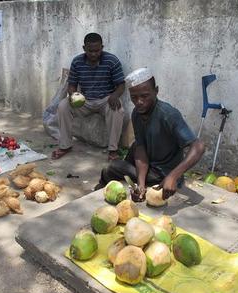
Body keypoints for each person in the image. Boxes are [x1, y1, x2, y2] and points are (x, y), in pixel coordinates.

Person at [96, 67, 205, 202]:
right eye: (134, 97)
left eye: (144, 96)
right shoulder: (137, 113)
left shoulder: (168, 114)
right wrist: (141, 185)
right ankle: (111, 188)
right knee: (135, 147)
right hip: (147, 166)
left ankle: (103, 186)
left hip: (161, 174)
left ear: (156, 91)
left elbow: (198, 146)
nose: (139, 101)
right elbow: (141, 148)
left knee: (111, 168)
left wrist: (173, 176)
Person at [51, 33, 125, 161]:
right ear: (84, 48)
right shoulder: (77, 61)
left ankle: (113, 149)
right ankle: (65, 145)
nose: (94, 54)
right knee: (63, 106)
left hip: (105, 100)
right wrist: (73, 95)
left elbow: (121, 85)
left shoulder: (112, 61)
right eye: (90, 51)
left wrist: (115, 95)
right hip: (85, 101)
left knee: (118, 110)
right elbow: (72, 85)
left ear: (102, 47)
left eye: (97, 50)